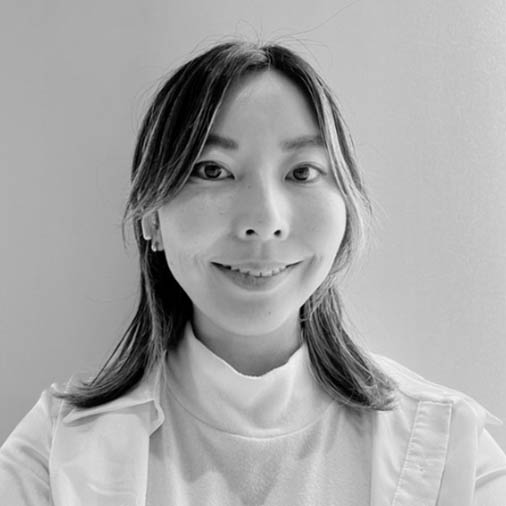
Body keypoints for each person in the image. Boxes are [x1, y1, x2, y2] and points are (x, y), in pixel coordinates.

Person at [1, 39, 505, 505]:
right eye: (212, 170)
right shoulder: (52, 454)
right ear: (151, 216)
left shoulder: (448, 451)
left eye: (302, 172)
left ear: (346, 209)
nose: (264, 221)